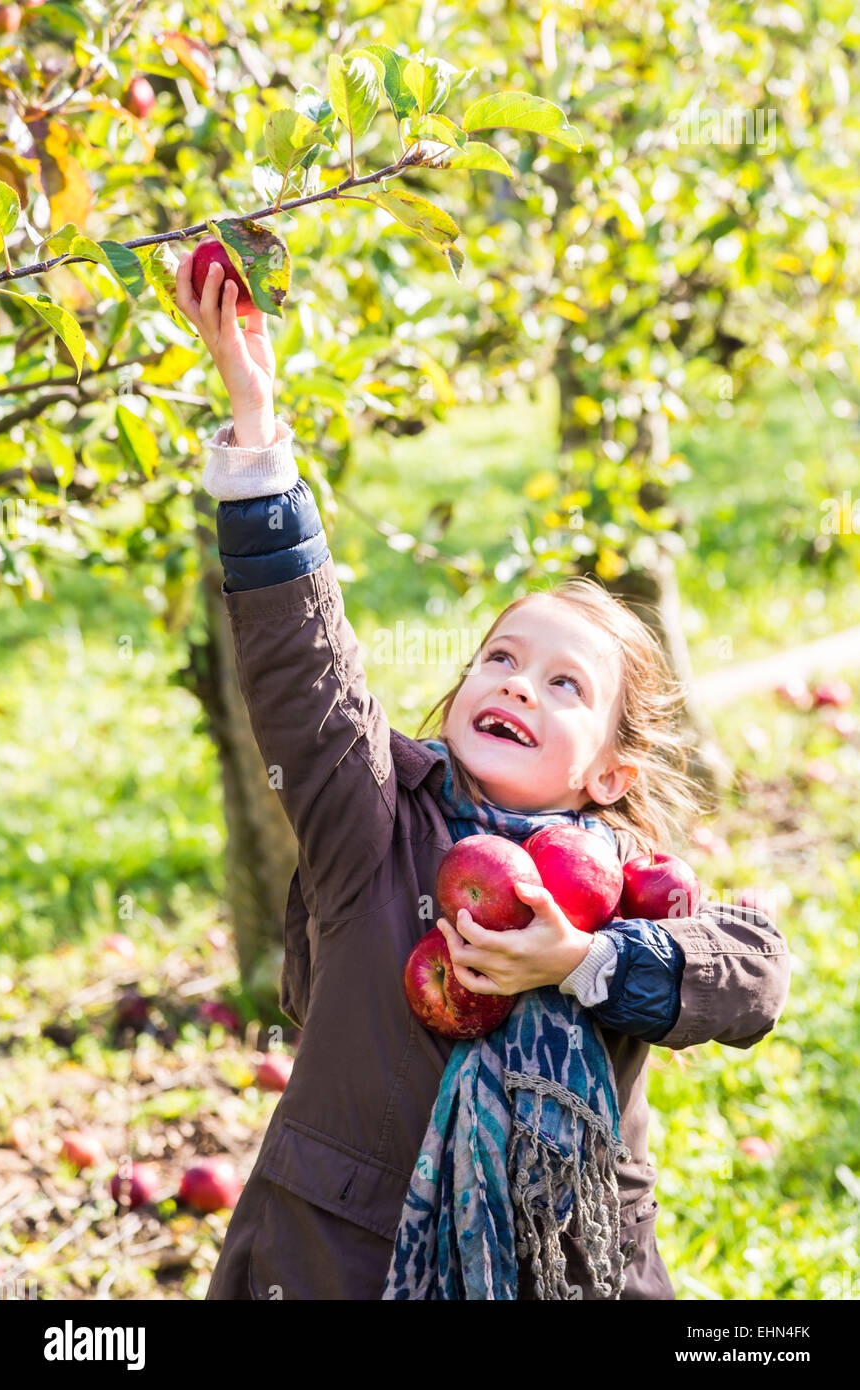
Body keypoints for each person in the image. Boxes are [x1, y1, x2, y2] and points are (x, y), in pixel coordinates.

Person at [173, 252, 792, 1300]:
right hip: (344, 1266)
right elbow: (303, 672)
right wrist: (254, 429)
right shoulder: (371, 821)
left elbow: (755, 977)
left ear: (607, 772)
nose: (514, 684)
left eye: (562, 682)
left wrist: (579, 959)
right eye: (498, 659)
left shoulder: (628, 891)